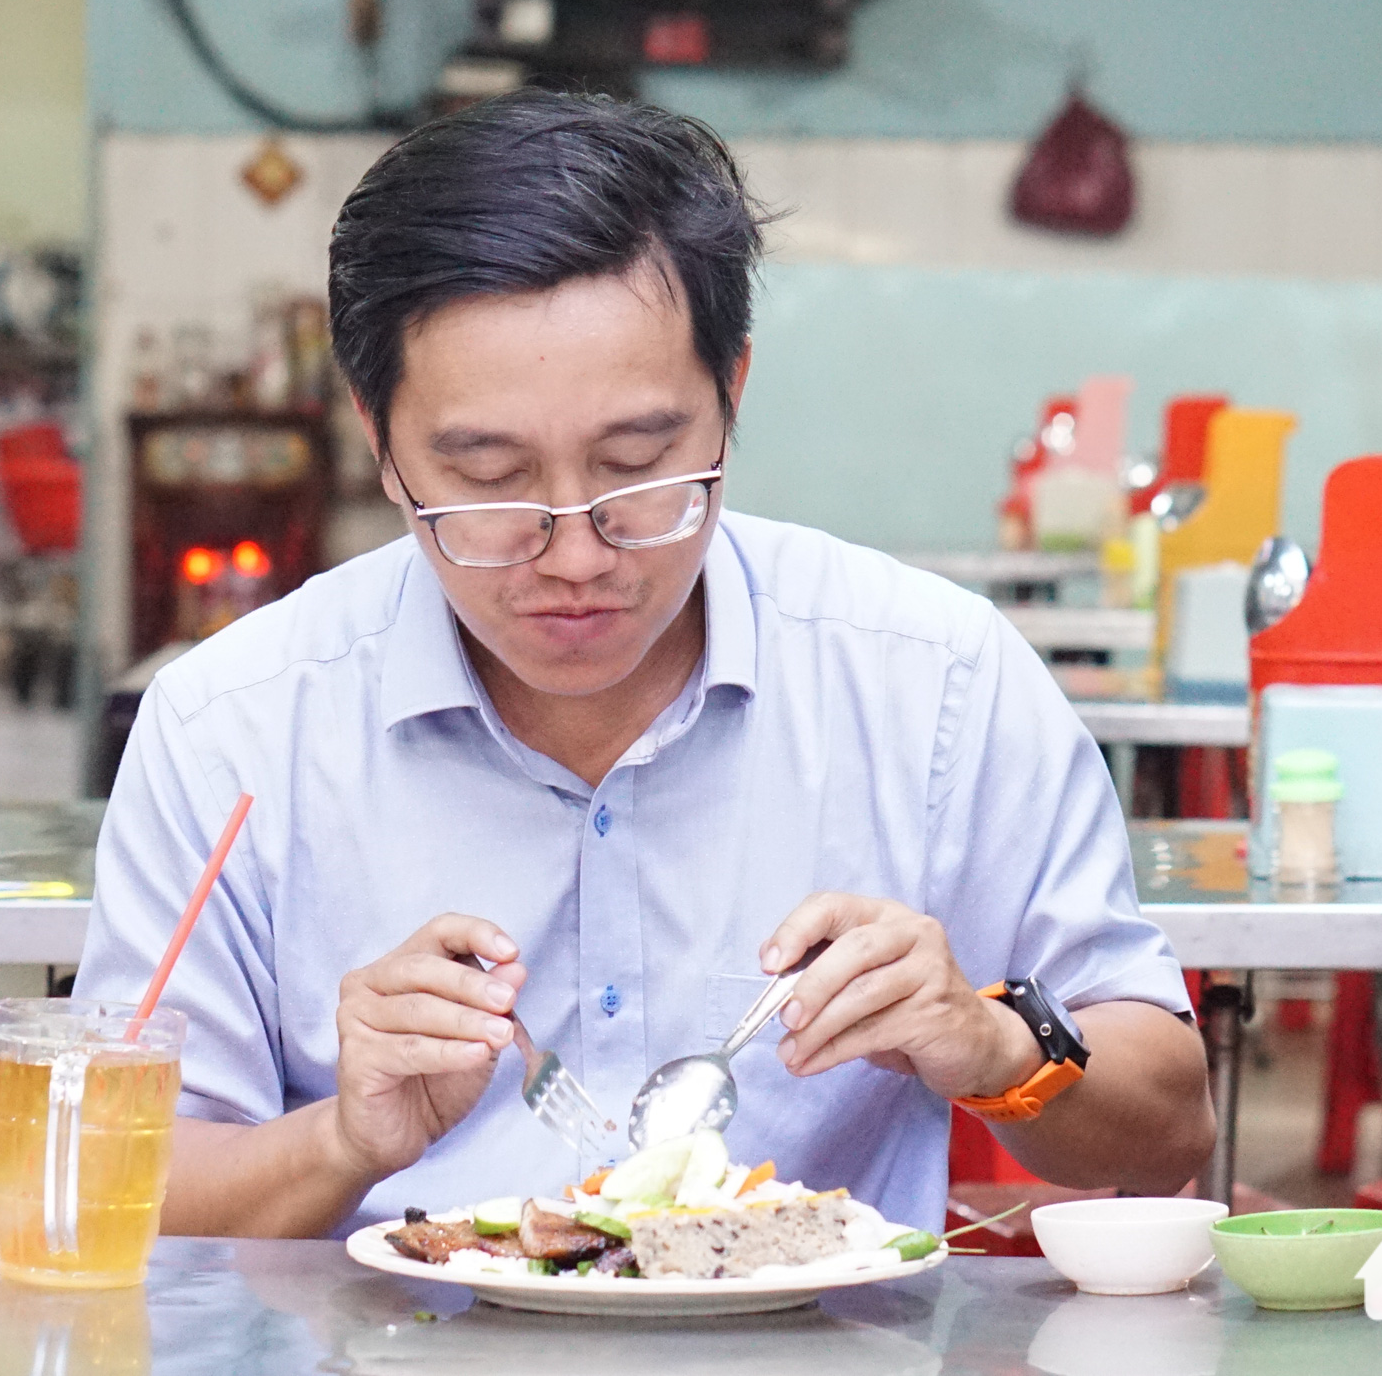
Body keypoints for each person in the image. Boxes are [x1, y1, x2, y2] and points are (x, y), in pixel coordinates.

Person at [77, 90, 1214, 1239]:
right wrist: (340, 1140)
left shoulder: (931, 684)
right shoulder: (232, 725)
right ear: (376, 437)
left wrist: (993, 1048)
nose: (572, 551)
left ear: (731, 395)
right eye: (488, 478)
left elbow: (1170, 1122)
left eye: (636, 465)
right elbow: (115, 1193)